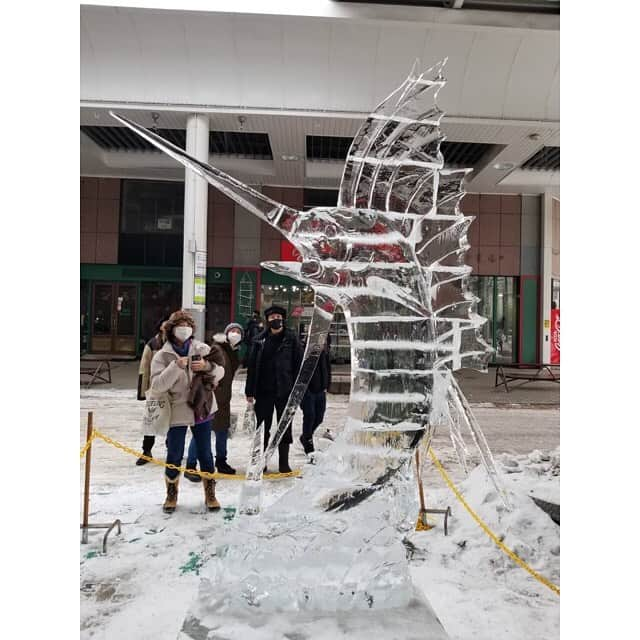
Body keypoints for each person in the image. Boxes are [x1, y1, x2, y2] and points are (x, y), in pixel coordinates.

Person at [149, 309, 225, 513]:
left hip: (202, 407)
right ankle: (171, 494)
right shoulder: (162, 355)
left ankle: (210, 494)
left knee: (205, 453)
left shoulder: (202, 347)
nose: (185, 330)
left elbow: (221, 371)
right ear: (172, 329)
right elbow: (156, 385)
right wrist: (175, 366)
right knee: (174, 453)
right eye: (181, 326)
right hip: (177, 409)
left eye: (188, 326)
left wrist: (207, 366)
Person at [245, 306, 302, 473]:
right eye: (272, 317)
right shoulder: (259, 340)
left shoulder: (292, 339)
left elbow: (298, 365)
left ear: (283, 319)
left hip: (285, 391)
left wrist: (297, 390)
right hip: (264, 391)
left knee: (284, 426)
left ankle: (284, 462)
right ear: (267, 320)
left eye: (278, 316)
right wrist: (249, 391)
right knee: (262, 428)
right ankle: (261, 462)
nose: (275, 319)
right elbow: (252, 368)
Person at [185, 323, 244, 480]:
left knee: (221, 430)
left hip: (223, 399)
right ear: (226, 333)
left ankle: (221, 461)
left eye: (238, 332)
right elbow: (210, 370)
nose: (235, 333)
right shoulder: (219, 348)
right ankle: (191, 465)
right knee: (202, 431)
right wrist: (211, 389)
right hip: (212, 397)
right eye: (232, 330)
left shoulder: (231, 350)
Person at [135, 318, 168, 465]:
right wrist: (143, 391)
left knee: (172, 422)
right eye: (164, 323)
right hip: (155, 389)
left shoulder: (176, 343)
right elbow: (144, 367)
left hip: (171, 390)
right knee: (151, 421)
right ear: (160, 326)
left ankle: (172, 451)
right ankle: (146, 451)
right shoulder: (152, 344)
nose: (166, 325)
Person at [299, 335, 332, 456]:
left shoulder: (324, 353)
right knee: (310, 416)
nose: (323, 344)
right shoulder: (304, 352)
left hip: (321, 390)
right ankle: (308, 445)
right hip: (308, 391)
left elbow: (327, 369)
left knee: (319, 417)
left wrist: (327, 385)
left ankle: (305, 436)